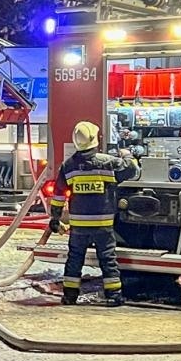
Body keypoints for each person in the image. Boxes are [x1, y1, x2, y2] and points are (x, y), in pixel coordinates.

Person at [48, 120, 139, 305]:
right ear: (95, 140)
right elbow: (132, 169)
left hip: (79, 226)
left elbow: (58, 195)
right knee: (107, 259)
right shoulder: (107, 163)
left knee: (74, 259)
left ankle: (69, 296)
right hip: (103, 224)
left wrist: (55, 219)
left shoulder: (68, 166)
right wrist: (128, 154)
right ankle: (113, 297)